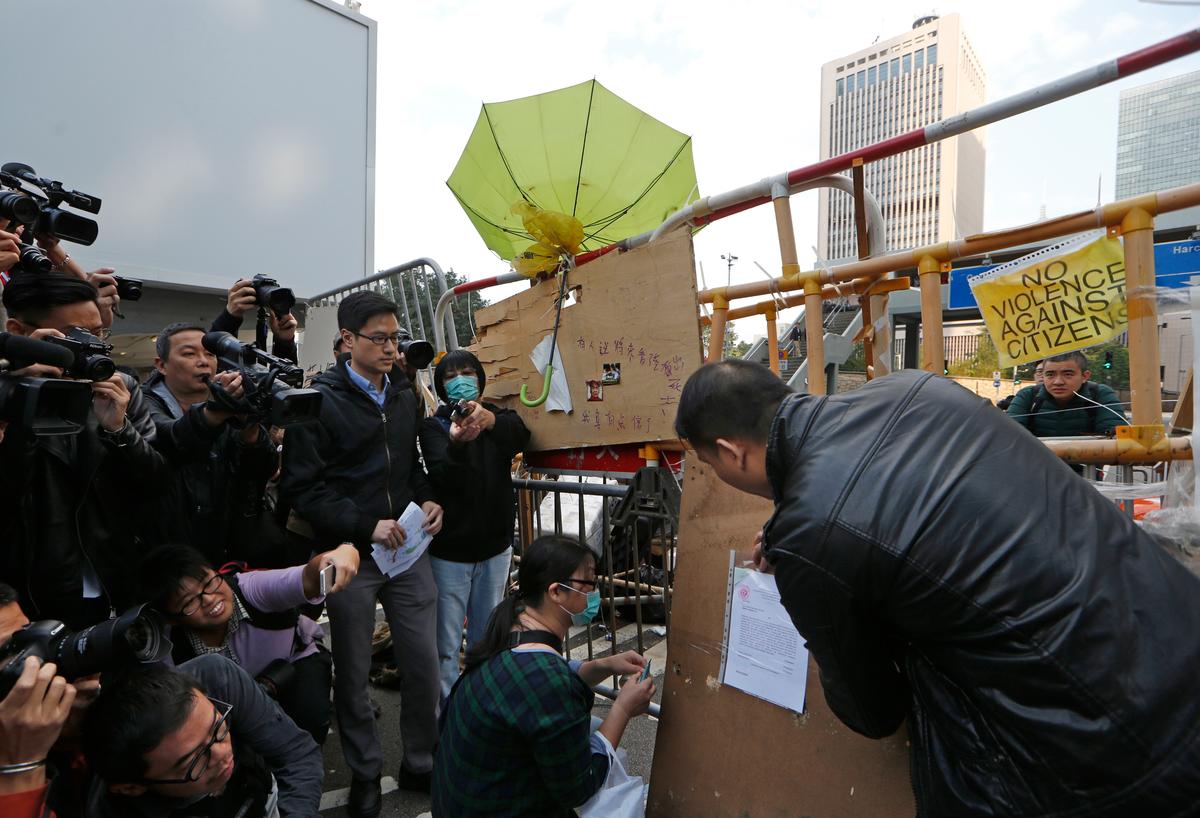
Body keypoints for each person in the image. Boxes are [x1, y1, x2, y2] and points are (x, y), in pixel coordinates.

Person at [674, 359, 1200, 816]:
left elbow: (872, 710)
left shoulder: (809, 536)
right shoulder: (914, 387)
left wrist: (804, 560)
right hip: (1173, 631)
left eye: (707, 465)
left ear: (730, 451)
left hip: (1109, 751)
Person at [280, 291, 443, 816]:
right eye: (380, 338)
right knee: (351, 672)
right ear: (347, 341)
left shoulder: (402, 391)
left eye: (396, 337)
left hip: (409, 553)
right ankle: (366, 771)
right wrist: (364, 525)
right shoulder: (318, 402)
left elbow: (410, 465)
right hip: (351, 556)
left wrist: (427, 499)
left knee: (423, 662)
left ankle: (420, 759)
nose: (392, 348)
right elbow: (304, 490)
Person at [432, 535, 655, 818]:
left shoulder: (512, 624)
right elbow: (580, 785)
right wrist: (623, 708)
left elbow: (552, 675)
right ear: (556, 592)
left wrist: (603, 665)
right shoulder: (545, 679)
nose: (594, 592)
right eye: (589, 582)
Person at [0, 272, 167, 627]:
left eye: (98, 335)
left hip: (113, 578)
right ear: (18, 331)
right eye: (74, 337)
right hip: (26, 594)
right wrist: (20, 400)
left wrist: (119, 430)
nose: (90, 347)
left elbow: (154, 485)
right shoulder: (5, 395)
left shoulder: (120, 389)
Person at [137, 543, 360, 744]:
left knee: (309, 718)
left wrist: (340, 554)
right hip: (232, 703)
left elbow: (307, 578)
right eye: (190, 602)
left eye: (209, 583)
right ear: (172, 618)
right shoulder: (166, 647)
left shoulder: (250, 589)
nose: (209, 599)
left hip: (294, 661)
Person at [82, 655, 322, 818]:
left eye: (218, 729)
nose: (222, 755)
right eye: (194, 762)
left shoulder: (217, 679)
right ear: (131, 788)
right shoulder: (104, 809)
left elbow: (296, 754)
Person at [419, 349, 530, 699]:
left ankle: (481, 708)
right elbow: (442, 475)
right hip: (449, 555)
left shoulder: (495, 418)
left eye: (467, 372)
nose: (460, 380)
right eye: (451, 376)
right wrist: (455, 443)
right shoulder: (434, 426)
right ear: (440, 386)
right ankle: (448, 716)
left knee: (486, 639)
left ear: (481, 381)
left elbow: (520, 435)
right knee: (446, 645)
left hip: (495, 550)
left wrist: (489, 421)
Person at [141, 323, 278, 563]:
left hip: (231, 547)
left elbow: (261, 470)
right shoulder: (143, 403)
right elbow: (168, 441)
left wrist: (249, 423)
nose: (203, 361)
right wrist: (212, 413)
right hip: (166, 548)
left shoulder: (230, 397)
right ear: (161, 365)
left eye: (210, 354)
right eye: (189, 354)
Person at [1007, 351, 1126, 436]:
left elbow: (1116, 434)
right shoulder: (1027, 395)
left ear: (1085, 376)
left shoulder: (1100, 394)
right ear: (1042, 376)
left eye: (1068, 374)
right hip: (1035, 469)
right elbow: (1008, 433)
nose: (1058, 382)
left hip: (1085, 470)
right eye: (1050, 374)